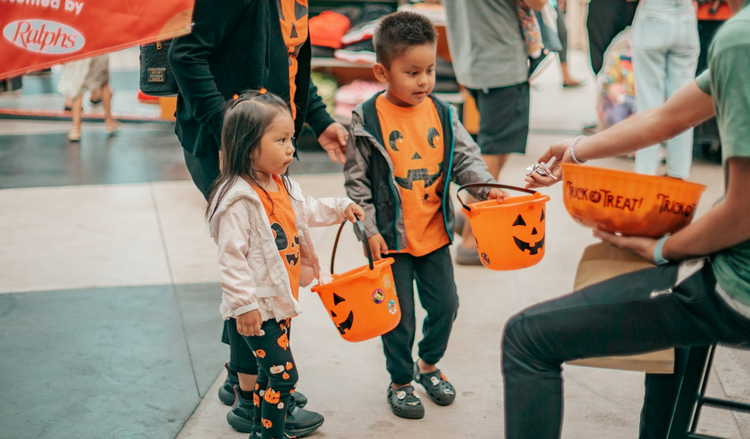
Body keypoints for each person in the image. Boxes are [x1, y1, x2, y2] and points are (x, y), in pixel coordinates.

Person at [504, 0, 750, 436]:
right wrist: (578, 149)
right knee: (671, 330)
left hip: (740, 292)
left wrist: (660, 247)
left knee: (526, 338)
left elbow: (742, 213)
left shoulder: (741, 40)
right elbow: (668, 116)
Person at [168, 0, 349, 435]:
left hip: (260, 146)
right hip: (228, 148)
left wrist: (318, 121)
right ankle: (254, 398)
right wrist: (229, 131)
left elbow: (291, 64)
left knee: (264, 261)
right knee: (253, 268)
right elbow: (185, 54)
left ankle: (245, 376)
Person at [344, 12, 509, 420]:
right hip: (390, 240)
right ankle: (400, 381)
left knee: (446, 306)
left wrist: (488, 189)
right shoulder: (366, 119)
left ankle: (428, 365)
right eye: (412, 72)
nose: (424, 81)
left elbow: (467, 159)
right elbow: (356, 183)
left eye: (431, 70)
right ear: (382, 71)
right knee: (397, 317)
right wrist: (368, 231)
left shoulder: (443, 112)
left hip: (434, 234)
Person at [207, 90, 364, 439]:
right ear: (249, 147)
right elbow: (230, 259)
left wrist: (340, 207)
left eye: (291, 138)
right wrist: (244, 305)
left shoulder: (280, 184)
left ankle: (261, 433)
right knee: (283, 375)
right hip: (258, 308)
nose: (291, 147)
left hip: (281, 301)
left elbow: (305, 212)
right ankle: (271, 435)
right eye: (280, 140)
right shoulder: (238, 199)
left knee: (269, 375)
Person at [443, 0, 544, 265]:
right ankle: (470, 240)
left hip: (471, 60)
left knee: (491, 144)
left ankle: (466, 216)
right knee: (493, 152)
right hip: (501, 64)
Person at [632, 0, 700, 179]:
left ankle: (645, 176)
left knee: (649, 103)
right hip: (686, 16)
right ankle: (679, 177)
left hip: (652, 14)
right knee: (684, 106)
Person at [57, 55, 119, 142]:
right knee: (104, 83)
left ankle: (76, 129)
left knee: (77, 87)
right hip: (98, 49)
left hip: (78, 50)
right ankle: (109, 122)